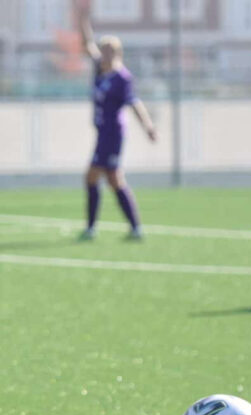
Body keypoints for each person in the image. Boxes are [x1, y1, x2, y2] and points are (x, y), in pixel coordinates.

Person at [76, 0, 155, 240]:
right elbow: (87, 44)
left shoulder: (122, 78)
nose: (105, 54)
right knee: (109, 179)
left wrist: (148, 126)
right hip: (103, 132)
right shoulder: (101, 69)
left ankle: (101, 228)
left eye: (109, 50)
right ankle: (131, 228)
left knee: (101, 176)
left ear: (118, 53)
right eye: (103, 50)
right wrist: (83, 20)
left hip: (114, 133)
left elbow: (135, 103)